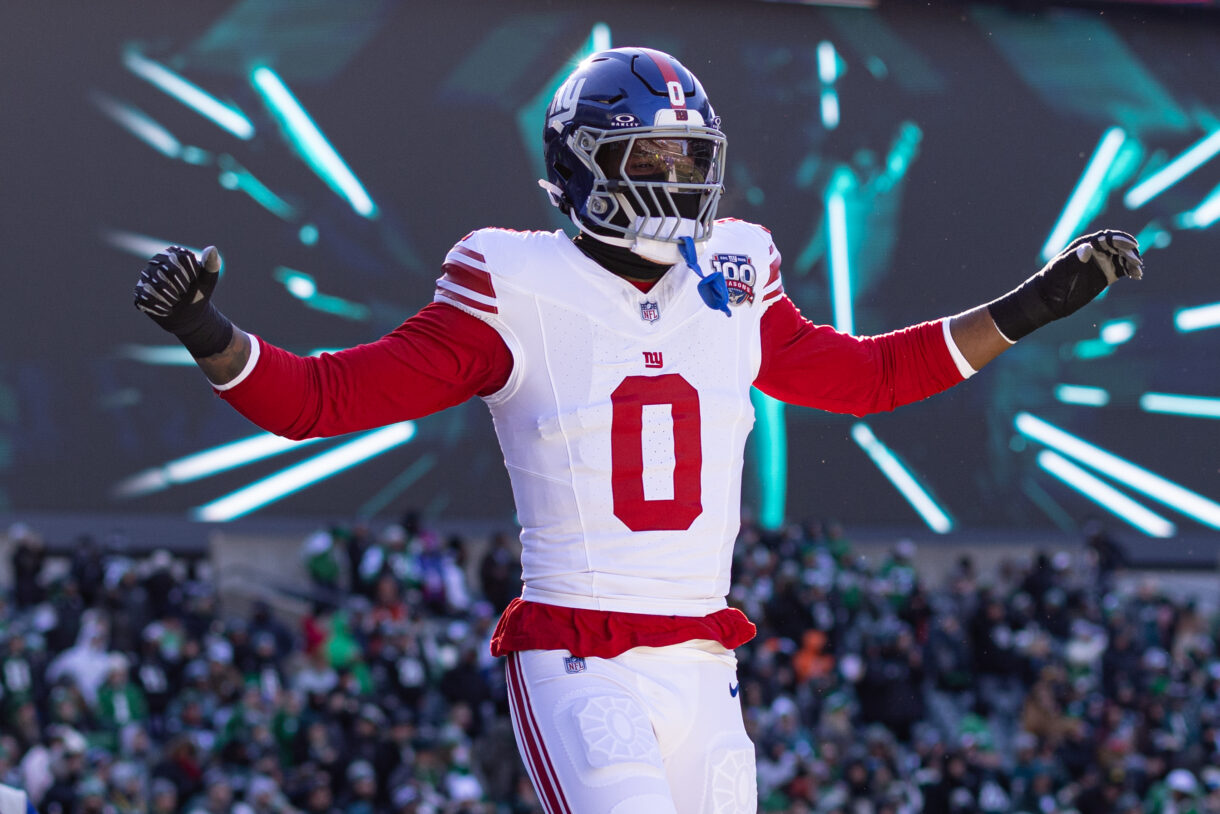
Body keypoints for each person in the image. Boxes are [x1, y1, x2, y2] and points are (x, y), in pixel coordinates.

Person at [132, 46, 1143, 814]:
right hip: (578, 653)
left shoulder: (736, 273)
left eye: (687, 152)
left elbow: (871, 377)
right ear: (580, 165)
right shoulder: (510, 282)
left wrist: (1031, 306)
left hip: (705, 658)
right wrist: (204, 328)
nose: (676, 172)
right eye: (649, 153)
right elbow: (319, 401)